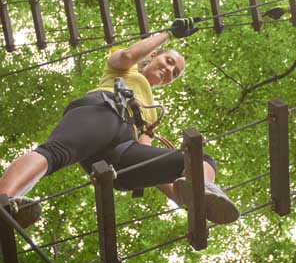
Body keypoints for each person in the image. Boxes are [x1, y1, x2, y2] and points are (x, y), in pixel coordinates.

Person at [0, 18, 240, 229]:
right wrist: (169, 34)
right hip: (102, 112)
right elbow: (127, 55)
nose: (169, 70)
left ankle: (200, 191)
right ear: (153, 56)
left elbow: (145, 155)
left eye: (175, 72)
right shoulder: (126, 69)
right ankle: (5, 198)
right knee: (55, 153)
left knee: (198, 159)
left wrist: (177, 195)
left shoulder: (151, 113)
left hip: (121, 151)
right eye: (168, 61)